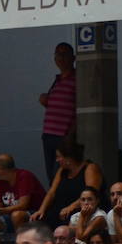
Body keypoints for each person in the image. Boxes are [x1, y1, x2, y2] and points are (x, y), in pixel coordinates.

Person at [38, 42, 77, 179]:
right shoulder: (57, 80)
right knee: (51, 174)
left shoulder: (77, 79)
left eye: (64, 54)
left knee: (60, 174)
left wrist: (70, 135)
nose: (61, 57)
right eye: (58, 54)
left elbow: (79, 110)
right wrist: (45, 100)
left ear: (73, 58)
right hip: (48, 135)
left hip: (63, 136)